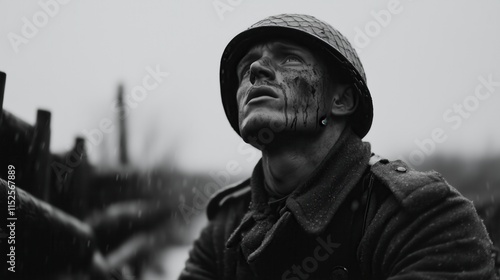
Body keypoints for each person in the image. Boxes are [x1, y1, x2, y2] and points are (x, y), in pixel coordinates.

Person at [179, 14, 497, 280]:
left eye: (289, 59)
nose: (255, 71)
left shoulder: (420, 213)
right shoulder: (225, 229)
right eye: (246, 67)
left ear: (342, 100)